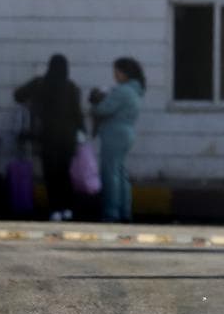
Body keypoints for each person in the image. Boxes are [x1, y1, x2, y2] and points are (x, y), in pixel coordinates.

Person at [14, 54, 83, 221]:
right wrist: (82, 132)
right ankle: (68, 208)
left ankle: (55, 209)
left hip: (47, 135)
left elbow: (18, 95)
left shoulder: (40, 83)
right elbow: (77, 113)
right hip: (67, 137)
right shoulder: (71, 87)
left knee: (50, 174)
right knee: (64, 173)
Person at [89, 57, 144, 222]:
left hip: (115, 134)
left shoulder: (122, 91)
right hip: (127, 132)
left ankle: (111, 212)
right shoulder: (135, 90)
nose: (115, 75)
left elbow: (103, 110)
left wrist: (95, 102)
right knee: (120, 173)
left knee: (110, 173)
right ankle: (124, 211)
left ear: (124, 72)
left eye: (117, 71)